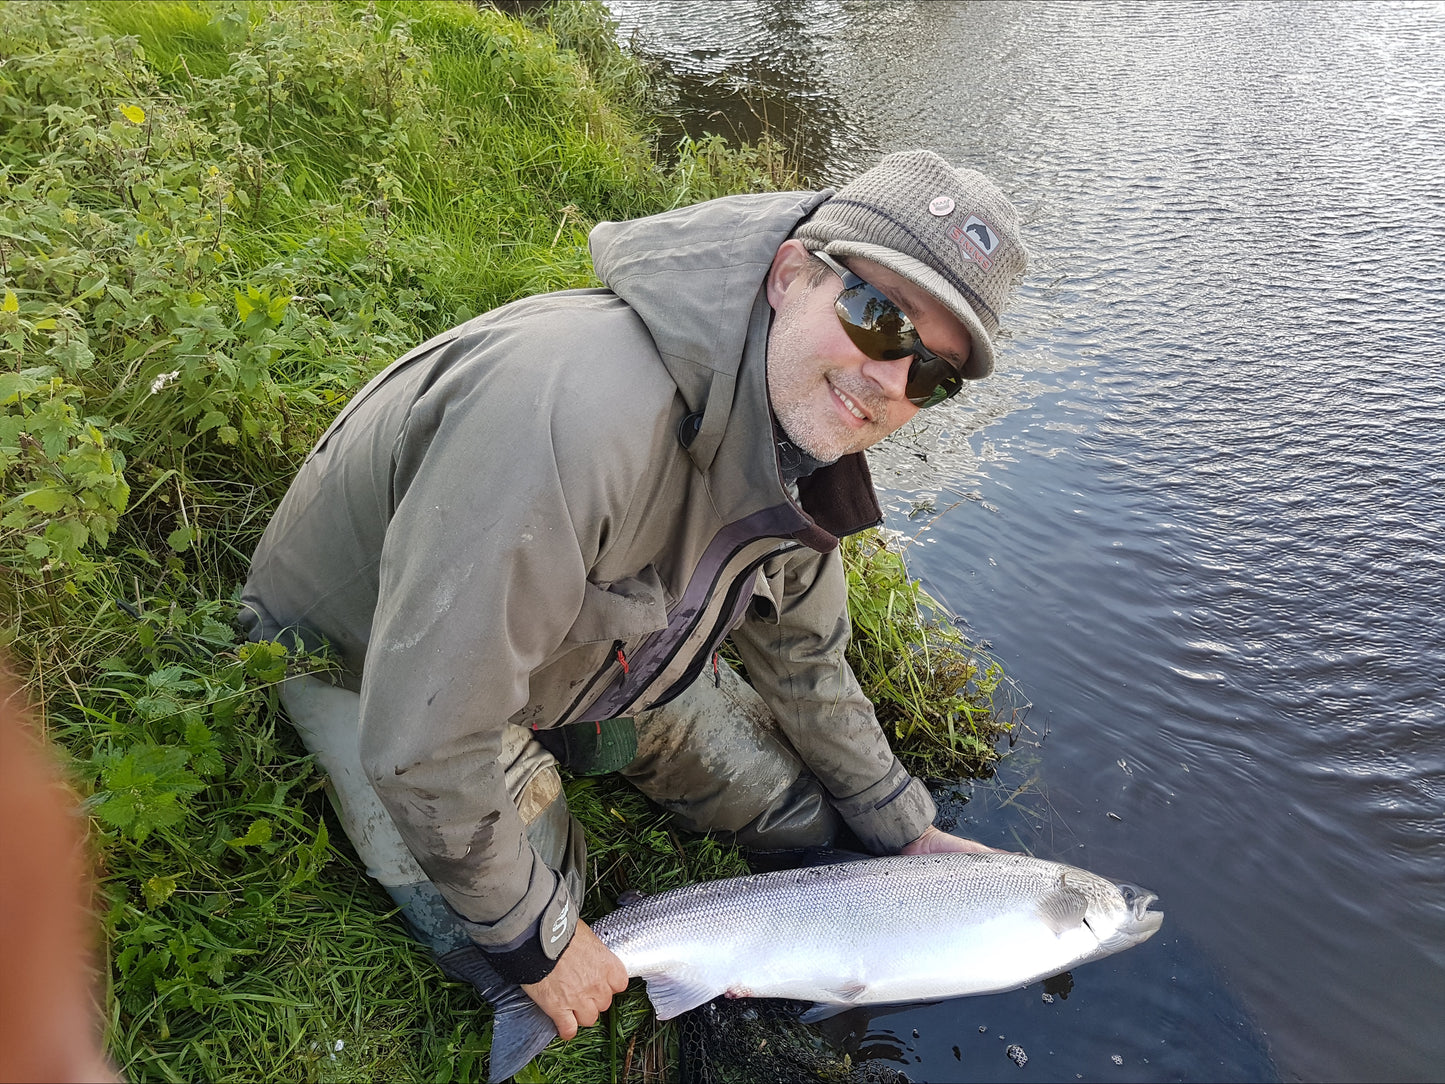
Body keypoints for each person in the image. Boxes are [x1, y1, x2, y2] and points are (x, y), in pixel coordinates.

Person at [239, 149, 1026, 1040]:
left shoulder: (803, 440)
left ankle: (573, 743)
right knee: (517, 937)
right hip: (369, 656)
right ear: (791, 274)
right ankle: (538, 809)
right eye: (878, 317)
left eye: (932, 374)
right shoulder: (567, 415)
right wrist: (535, 941)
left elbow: (806, 654)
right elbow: (422, 736)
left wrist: (904, 827)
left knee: (801, 821)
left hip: (577, 647)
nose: (890, 379)